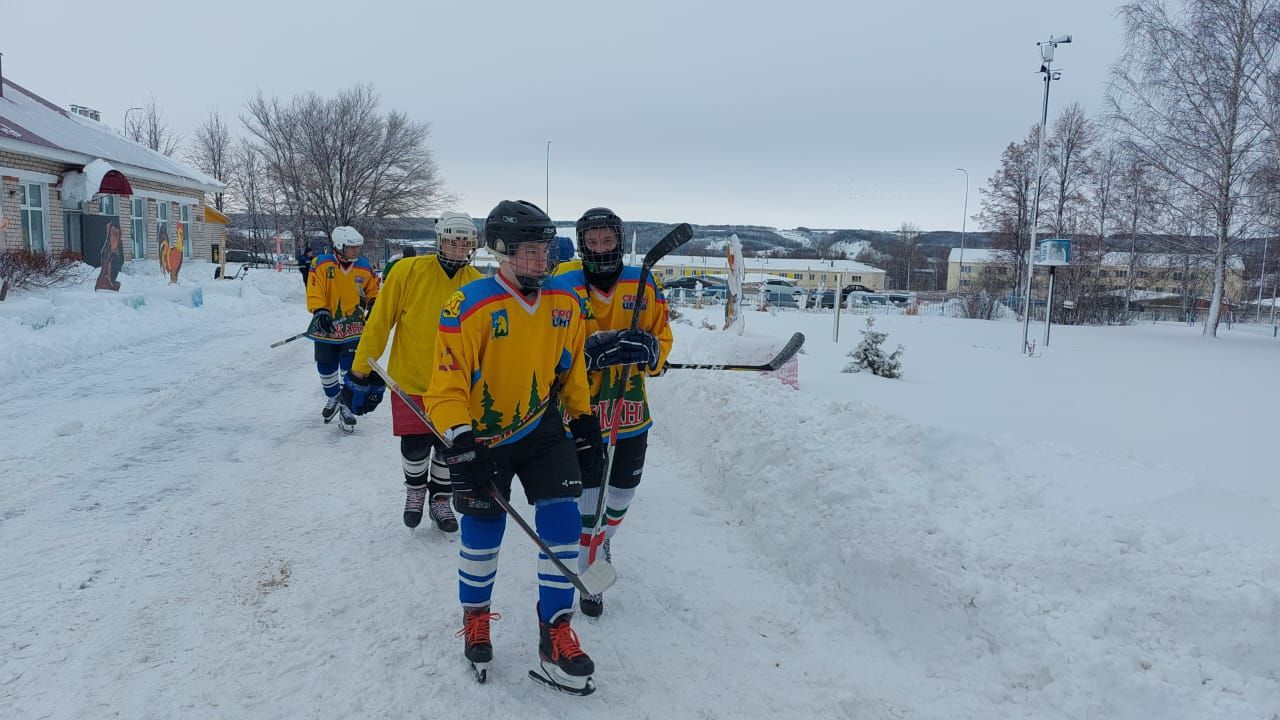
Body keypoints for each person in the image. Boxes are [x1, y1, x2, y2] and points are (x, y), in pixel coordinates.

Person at [425, 199, 605, 695]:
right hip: (483, 439)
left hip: (543, 430)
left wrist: (584, 418)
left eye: (544, 250)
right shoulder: (469, 305)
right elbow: (445, 386)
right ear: (500, 252)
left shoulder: (565, 304)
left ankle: (555, 631)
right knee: (483, 529)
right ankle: (477, 617)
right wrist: (461, 440)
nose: (540, 261)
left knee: (564, 521)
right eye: (528, 251)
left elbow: (570, 372)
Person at [558, 207, 672, 618]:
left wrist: (652, 352)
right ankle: (590, 568)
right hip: (582, 408)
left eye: (608, 241)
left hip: (629, 409)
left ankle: (604, 537)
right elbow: (550, 341)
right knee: (589, 493)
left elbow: (662, 338)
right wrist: (585, 353)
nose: (601, 248)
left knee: (622, 490)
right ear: (582, 242)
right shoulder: (564, 283)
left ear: (618, 241)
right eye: (593, 241)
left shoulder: (641, 283)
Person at [345, 213, 483, 532]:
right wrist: (360, 370)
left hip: (456, 386)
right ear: (439, 241)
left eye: (465, 243)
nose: (458, 249)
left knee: (451, 447)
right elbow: (380, 322)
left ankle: (440, 500)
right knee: (415, 446)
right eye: (452, 241)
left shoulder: (477, 283)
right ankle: (416, 491)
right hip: (410, 381)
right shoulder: (409, 272)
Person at [306, 226, 380, 433]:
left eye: (358, 247)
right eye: (351, 248)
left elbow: (373, 289)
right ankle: (333, 398)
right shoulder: (320, 264)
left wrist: (374, 303)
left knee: (350, 368)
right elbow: (314, 288)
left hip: (353, 327)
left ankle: (346, 406)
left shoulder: (364, 267)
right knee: (325, 367)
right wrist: (319, 310)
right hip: (327, 326)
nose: (356, 251)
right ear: (339, 247)